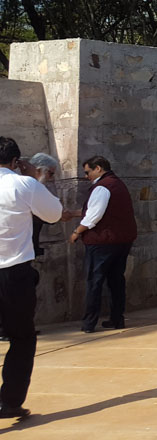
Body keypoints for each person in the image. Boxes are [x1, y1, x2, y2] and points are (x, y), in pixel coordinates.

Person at [0, 138, 64, 419]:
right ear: (16, 161)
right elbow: (54, 213)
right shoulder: (23, 184)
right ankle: (9, 402)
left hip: (14, 272)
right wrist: (36, 179)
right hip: (13, 272)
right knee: (22, 337)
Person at [70, 156, 138, 334]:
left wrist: (77, 231)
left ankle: (89, 322)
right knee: (116, 281)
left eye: (88, 172)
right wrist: (73, 213)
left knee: (95, 281)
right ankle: (117, 319)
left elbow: (94, 215)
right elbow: (99, 210)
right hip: (122, 240)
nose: (86, 176)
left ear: (98, 168)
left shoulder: (102, 187)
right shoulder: (117, 184)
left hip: (102, 242)